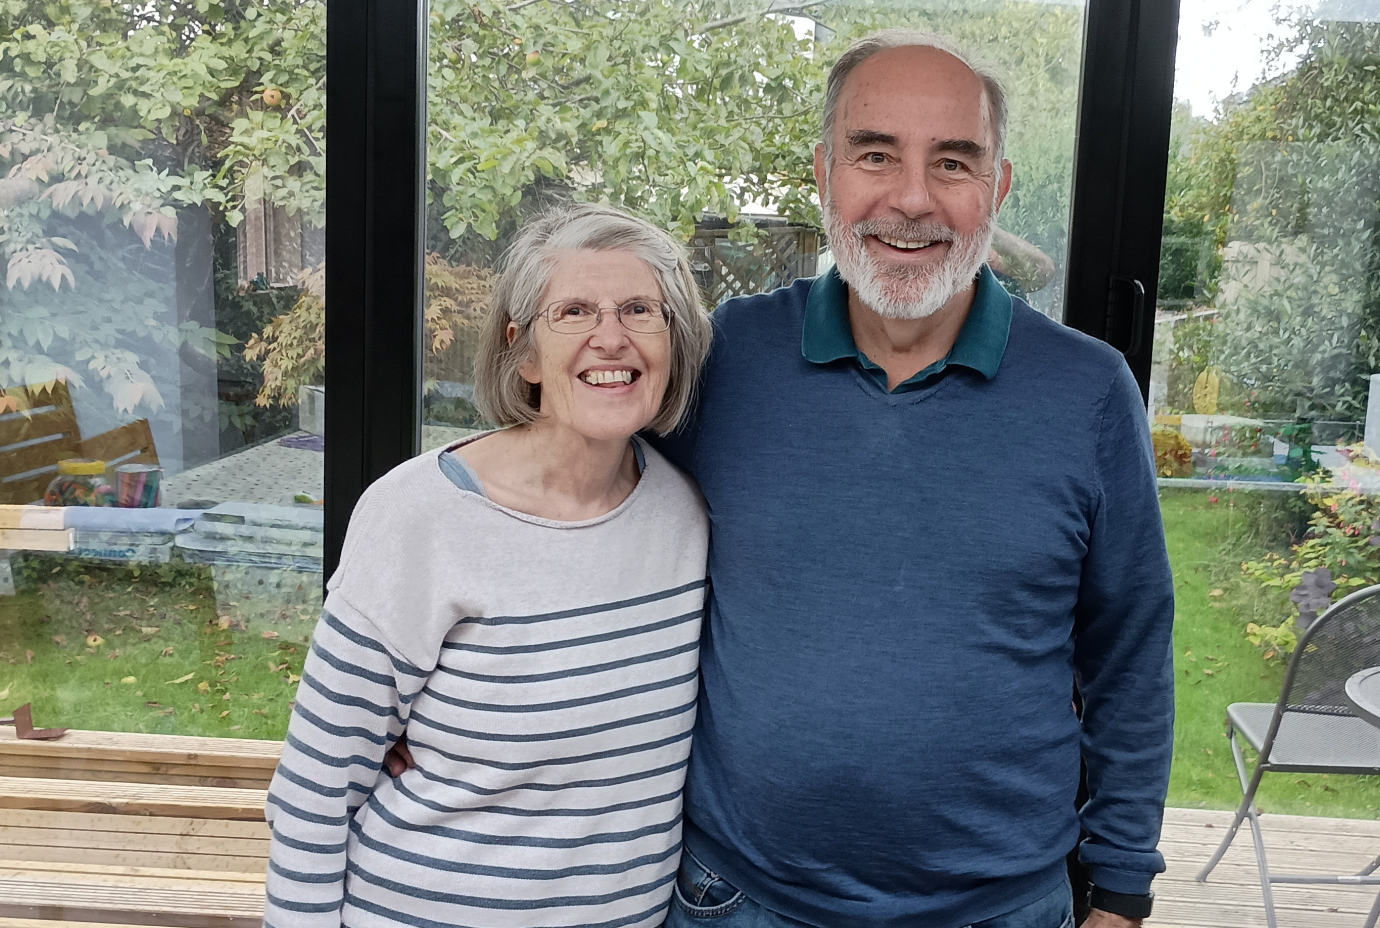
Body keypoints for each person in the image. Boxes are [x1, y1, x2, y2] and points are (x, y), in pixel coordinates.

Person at [654, 29, 1175, 928]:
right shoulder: (727, 355)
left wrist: (1123, 888)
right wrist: (453, 709)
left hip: (1000, 907)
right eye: (875, 155)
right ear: (824, 173)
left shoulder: (1088, 392)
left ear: (997, 189)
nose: (911, 199)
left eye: (954, 163)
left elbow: (1130, 651)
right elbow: (580, 514)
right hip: (740, 897)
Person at [262, 203, 714, 928]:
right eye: (573, 311)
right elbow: (315, 790)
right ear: (523, 352)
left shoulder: (689, 515)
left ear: (675, 342)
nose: (611, 337)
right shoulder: (419, 514)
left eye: (640, 310)